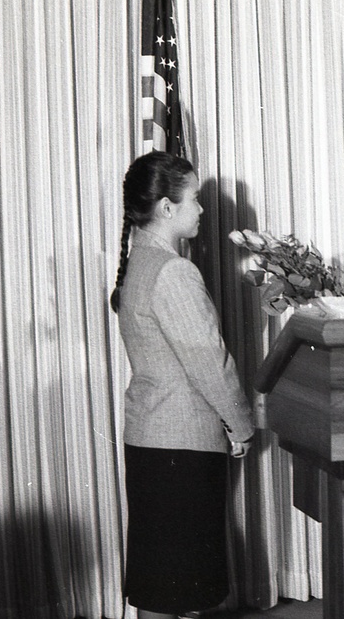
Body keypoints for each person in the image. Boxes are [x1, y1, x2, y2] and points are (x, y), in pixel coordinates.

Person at [110, 151, 255, 619]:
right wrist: (240, 426)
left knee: (160, 581)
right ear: (167, 209)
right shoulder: (174, 271)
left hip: (151, 438)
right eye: (195, 200)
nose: (202, 210)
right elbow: (209, 362)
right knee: (179, 585)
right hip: (183, 444)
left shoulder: (140, 263)